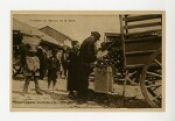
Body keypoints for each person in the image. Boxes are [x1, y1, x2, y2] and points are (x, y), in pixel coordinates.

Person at [77, 31, 101, 99]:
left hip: (82, 63)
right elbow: (88, 54)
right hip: (85, 63)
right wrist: (95, 58)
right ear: (95, 37)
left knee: (82, 79)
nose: (96, 41)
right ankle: (82, 95)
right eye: (96, 39)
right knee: (84, 79)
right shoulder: (90, 41)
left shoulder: (87, 40)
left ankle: (81, 94)